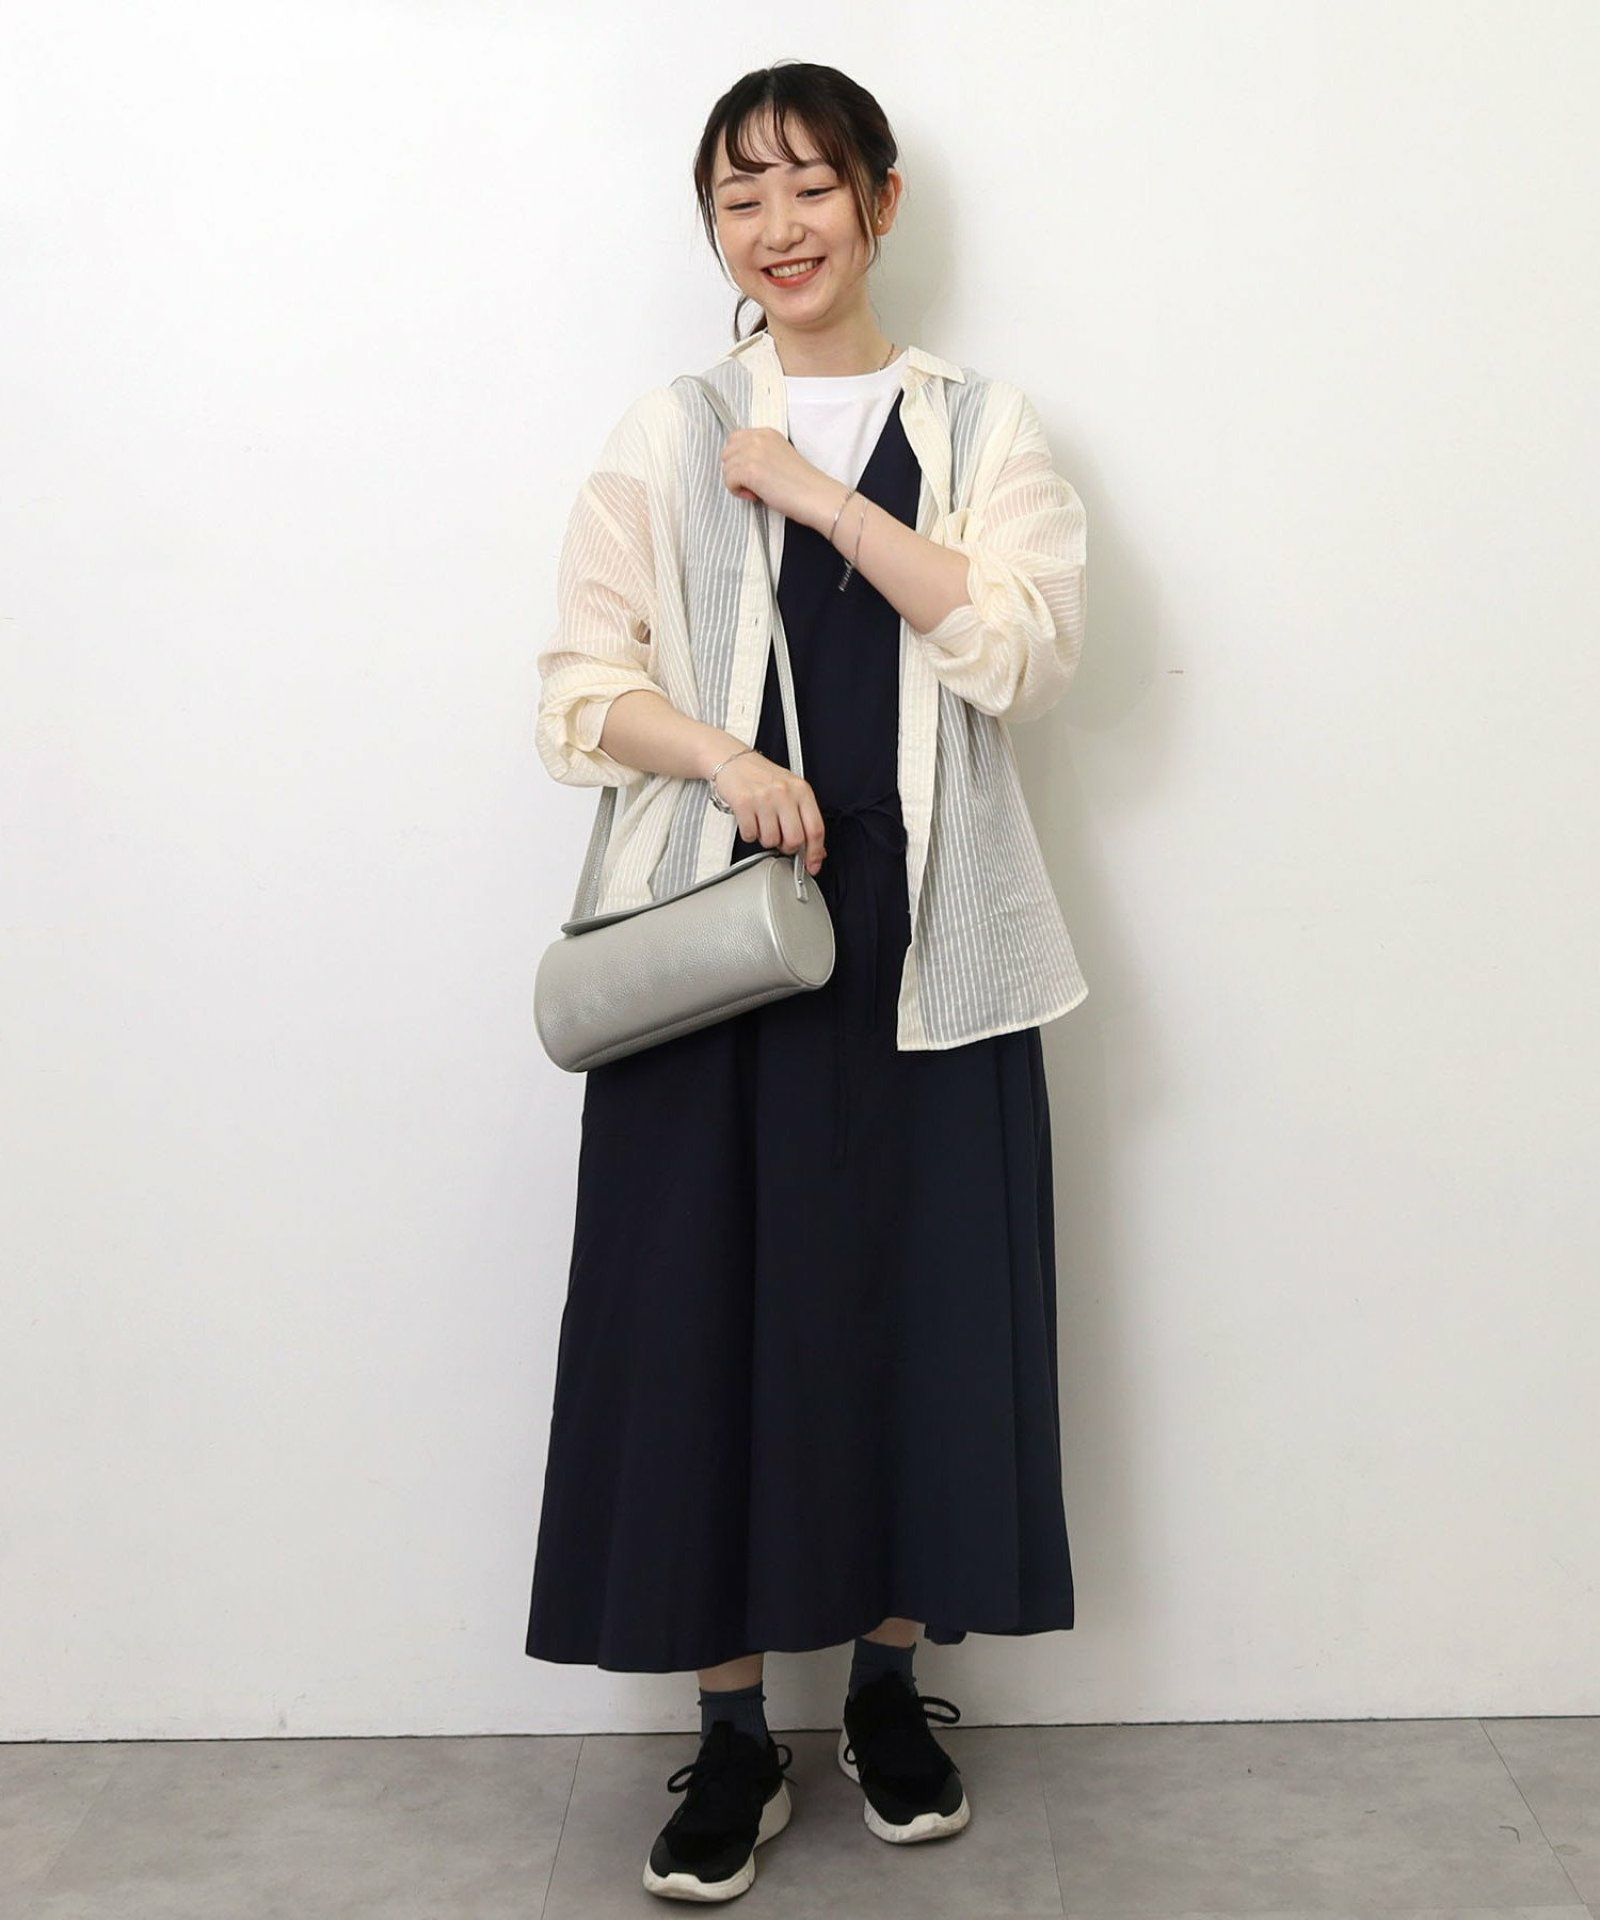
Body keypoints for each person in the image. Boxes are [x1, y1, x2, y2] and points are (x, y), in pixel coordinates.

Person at [526, 60, 1090, 1904]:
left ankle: (888, 1694)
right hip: (721, 941)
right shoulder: (669, 426)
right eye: (741, 196)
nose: (779, 226)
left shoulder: (981, 425)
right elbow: (576, 688)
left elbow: (1020, 652)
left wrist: (819, 500)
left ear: (881, 200)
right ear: (715, 226)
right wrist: (721, 759)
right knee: (698, 1318)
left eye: (811, 185)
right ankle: (730, 1736)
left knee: (921, 1311)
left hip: (927, 942)